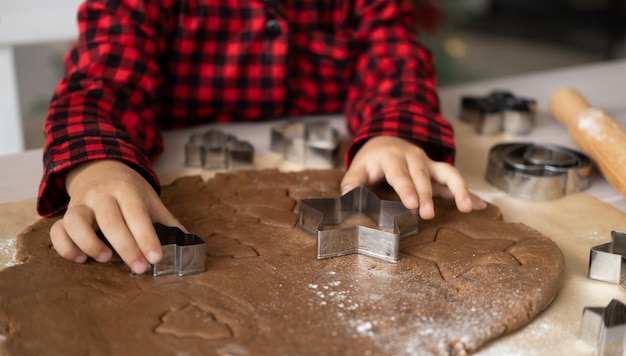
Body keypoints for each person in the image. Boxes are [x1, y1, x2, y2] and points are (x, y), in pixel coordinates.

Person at [38, 0, 486, 275]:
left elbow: (394, 57)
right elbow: (97, 88)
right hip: (176, 160)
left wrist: (394, 131)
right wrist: (96, 168)